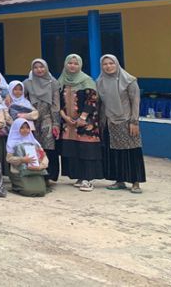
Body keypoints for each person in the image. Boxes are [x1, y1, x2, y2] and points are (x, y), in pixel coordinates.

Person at [96, 54, 146, 193]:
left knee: (132, 152)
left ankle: (136, 182)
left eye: (111, 63)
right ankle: (119, 180)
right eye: (105, 64)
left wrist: (134, 122)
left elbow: (135, 102)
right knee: (114, 153)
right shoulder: (100, 81)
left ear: (117, 64)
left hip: (126, 121)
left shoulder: (129, 80)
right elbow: (100, 104)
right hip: (109, 122)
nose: (108, 66)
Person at [58, 54, 103, 192]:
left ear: (80, 65)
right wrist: (65, 117)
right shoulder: (61, 81)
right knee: (73, 149)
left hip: (86, 122)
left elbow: (92, 100)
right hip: (68, 123)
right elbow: (57, 102)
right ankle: (78, 176)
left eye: (75, 63)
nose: (72, 66)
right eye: (70, 63)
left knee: (87, 149)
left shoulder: (87, 80)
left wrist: (82, 118)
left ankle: (88, 179)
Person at [22, 58, 61, 187]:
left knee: (48, 145)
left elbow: (56, 104)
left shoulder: (53, 83)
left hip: (47, 117)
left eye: (41, 67)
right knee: (34, 146)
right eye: (36, 67)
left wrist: (56, 123)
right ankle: (36, 174)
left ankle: (50, 175)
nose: (39, 70)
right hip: (32, 118)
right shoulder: (27, 83)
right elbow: (21, 100)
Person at [6, 119, 49, 197]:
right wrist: (22, 160)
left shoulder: (34, 142)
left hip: (35, 171)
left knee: (41, 191)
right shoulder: (12, 143)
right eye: (22, 128)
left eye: (27, 127)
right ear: (16, 129)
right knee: (29, 191)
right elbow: (9, 159)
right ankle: (16, 186)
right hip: (19, 172)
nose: (25, 130)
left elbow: (44, 157)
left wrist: (41, 166)